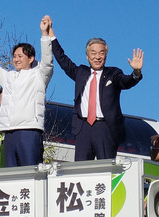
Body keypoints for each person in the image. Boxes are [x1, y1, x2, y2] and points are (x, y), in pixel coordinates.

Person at [48, 16, 144, 161]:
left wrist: (136, 73)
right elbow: (63, 59)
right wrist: (50, 35)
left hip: (105, 128)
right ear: (87, 56)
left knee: (105, 170)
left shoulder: (113, 73)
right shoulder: (81, 72)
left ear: (106, 55)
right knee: (81, 171)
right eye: (93, 53)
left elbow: (126, 82)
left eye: (101, 53)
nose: (97, 57)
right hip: (83, 127)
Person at [0, 15, 54, 167]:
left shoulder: (39, 75)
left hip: (29, 131)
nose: (16, 59)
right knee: (10, 177)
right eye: (14, 56)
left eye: (20, 56)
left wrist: (45, 35)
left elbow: (48, 62)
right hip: (9, 133)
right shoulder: (8, 77)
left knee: (31, 174)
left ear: (30, 58)